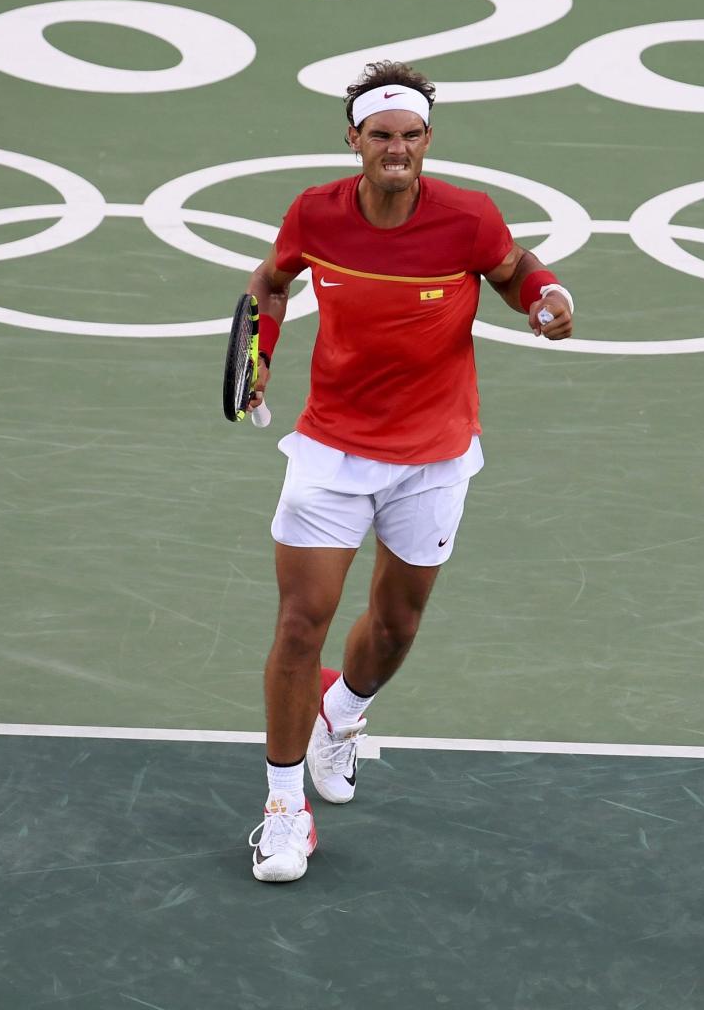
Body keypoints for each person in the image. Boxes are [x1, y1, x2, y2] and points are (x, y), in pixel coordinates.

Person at [241, 60, 575, 882]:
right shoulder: (315, 214)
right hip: (331, 450)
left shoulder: (466, 218)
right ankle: (284, 809)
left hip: (435, 454)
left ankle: (342, 713)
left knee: (395, 627)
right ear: (353, 139)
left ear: (428, 140)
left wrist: (547, 296)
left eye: (412, 136)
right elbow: (270, 285)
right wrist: (262, 352)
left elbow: (512, 268)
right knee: (298, 624)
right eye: (382, 136)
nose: (398, 149)